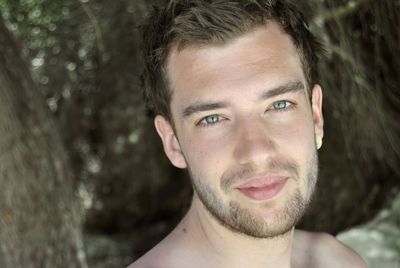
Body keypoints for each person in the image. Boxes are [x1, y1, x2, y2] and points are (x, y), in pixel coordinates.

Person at [129, 1, 367, 267]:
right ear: (173, 143)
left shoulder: (337, 260)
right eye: (212, 119)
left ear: (315, 117)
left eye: (279, 105)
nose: (256, 152)